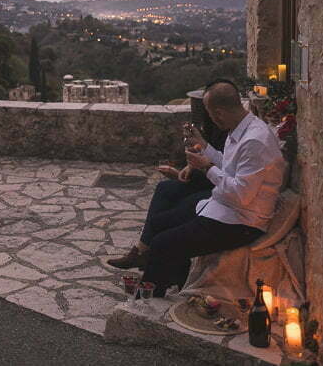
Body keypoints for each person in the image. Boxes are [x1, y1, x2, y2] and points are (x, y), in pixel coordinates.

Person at [115, 79, 285, 296]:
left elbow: (241, 194)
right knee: (160, 223)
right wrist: (204, 146)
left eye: (210, 114)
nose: (211, 119)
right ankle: (178, 283)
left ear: (218, 114)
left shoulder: (254, 141)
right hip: (224, 206)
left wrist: (206, 167)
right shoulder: (242, 128)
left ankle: (147, 299)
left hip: (241, 221)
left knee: (162, 244)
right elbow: (228, 166)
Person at [106, 117, 226, 271]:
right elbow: (215, 157)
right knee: (165, 188)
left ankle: (151, 255)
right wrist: (190, 167)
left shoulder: (239, 134)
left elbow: (228, 175)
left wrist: (200, 168)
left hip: (220, 188)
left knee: (173, 210)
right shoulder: (216, 126)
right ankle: (141, 250)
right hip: (212, 178)